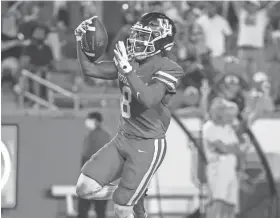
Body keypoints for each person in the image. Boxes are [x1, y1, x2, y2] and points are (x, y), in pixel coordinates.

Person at [74, 12, 184, 218]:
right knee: (84, 188)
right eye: (138, 35)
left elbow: (149, 99)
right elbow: (90, 69)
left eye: (145, 37)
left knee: (122, 208)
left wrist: (127, 71)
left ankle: (131, 194)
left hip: (147, 144)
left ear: (162, 42)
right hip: (123, 138)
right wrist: (80, 41)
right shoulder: (130, 60)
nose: (137, 41)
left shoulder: (169, 68)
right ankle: (134, 191)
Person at [203, 97, 250, 218]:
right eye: (220, 109)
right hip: (217, 169)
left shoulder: (227, 128)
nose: (222, 112)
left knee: (231, 205)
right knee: (217, 203)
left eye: (223, 109)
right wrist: (239, 149)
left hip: (231, 170)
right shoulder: (209, 127)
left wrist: (239, 150)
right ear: (213, 110)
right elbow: (224, 148)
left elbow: (236, 148)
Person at [78, 111, 111, 218]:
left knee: (83, 210)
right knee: (100, 211)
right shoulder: (106, 135)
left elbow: (87, 157)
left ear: (95, 121)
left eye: (88, 119)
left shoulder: (93, 136)